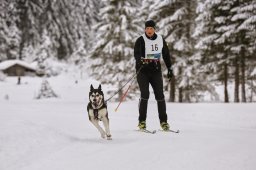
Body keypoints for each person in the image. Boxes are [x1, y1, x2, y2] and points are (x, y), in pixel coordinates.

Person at [134, 20, 173, 131]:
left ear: (154, 29)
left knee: (160, 95)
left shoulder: (160, 39)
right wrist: (140, 61)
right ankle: (142, 122)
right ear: (145, 29)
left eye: (151, 28)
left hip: (155, 70)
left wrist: (170, 68)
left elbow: (166, 55)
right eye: (147, 28)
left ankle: (164, 122)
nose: (149, 30)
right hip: (143, 71)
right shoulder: (140, 40)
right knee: (145, 94)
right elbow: (136, 54)